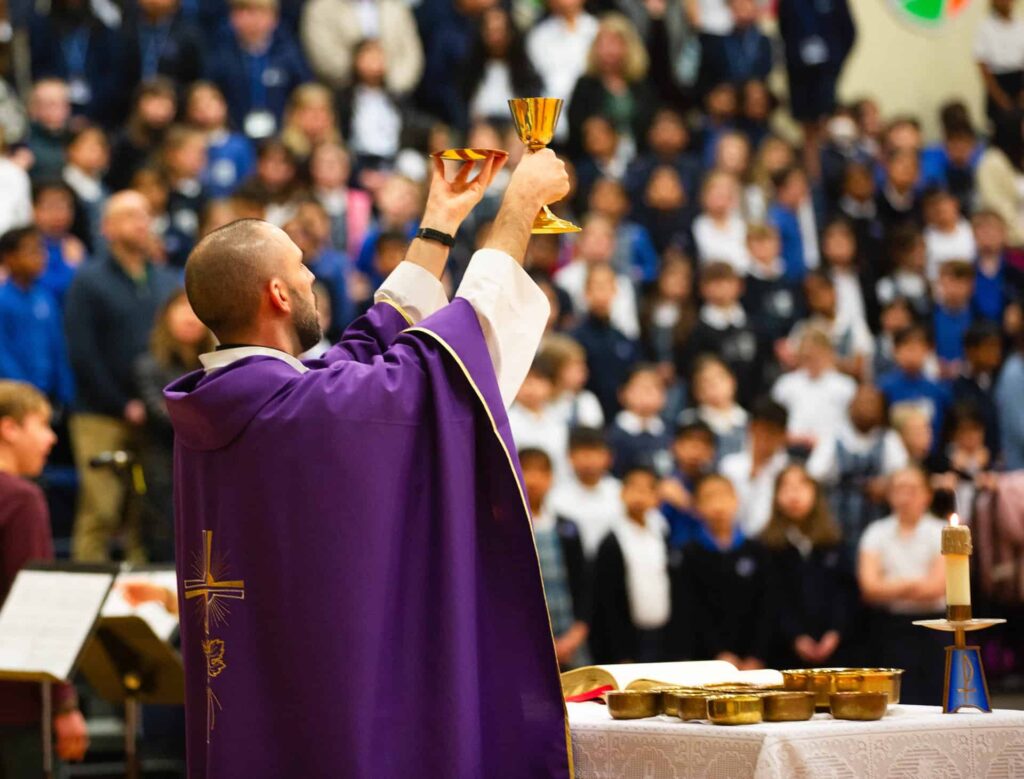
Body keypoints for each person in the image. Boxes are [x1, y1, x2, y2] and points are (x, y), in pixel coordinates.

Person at [166, 149, 574, 777]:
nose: (311, 279)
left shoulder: (221, 410)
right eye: (300, 268)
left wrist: (438, 225)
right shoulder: (302, 411)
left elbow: (361, 350)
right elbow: (449, 366)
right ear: (277, 293)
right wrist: (517, 211)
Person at [64, 191, 178, 562]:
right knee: (102, 508)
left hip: (152, 415)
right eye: (130, 215)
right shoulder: (89, 280)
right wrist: (119, 402)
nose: (141, 222)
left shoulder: (163, 280)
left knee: (144, 511)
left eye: (146, 214)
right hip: (100, 412)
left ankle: (138, 608)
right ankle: (83, 598)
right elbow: (82, 352)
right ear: (106, 227)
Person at [0, 381, 89, 776]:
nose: (52, 439)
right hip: (15, 703)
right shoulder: (21, 498)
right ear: (9, 429)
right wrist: (65, 704)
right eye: (42, 425)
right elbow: (35, 605)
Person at [134, 289, 214, 561]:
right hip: (164, 467)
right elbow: (159, 414)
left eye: (195, 311)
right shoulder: (149, 364)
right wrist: (206, 420)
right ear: (166, 316)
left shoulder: (215, 367)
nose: (190, 318)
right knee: (169, 543)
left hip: (207, 467)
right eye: (182, 309)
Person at [857, 466, 946, 704]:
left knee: (936, 701)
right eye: (898, 489)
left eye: (913, 489)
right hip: (891, 629)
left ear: (928, 494)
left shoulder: (941, 531)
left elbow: (936, 587)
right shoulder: (876, 532)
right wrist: (914, 584)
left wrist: (893, 585)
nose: (905, 497)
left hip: (934, 628)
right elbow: (869, 587)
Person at [760, 464, 856, 668]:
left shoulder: (834, 542)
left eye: (802, 486)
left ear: (815, 493)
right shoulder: (766, 545)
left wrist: (835, 632)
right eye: (786, 487)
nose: (794, 494)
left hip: (834, 650)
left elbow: (846, 593)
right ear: (776, 496)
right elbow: (770, 599)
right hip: (782, 653)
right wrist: (795, 637)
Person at [674, 473, 771, 668]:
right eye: (709, 498)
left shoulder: (757, 550)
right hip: (706, 660)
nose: (718, 505)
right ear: (697, 506)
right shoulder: (689, 553)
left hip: (753, 661)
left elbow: (767, 605)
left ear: (736, 500)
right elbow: (691, 608)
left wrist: (756, 654)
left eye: (724, 496)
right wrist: (718, 653)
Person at [807, 383, 908, 553]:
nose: (867, 408)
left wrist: (887, 485)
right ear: (850, 406)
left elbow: (904, 477)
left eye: (872, 403)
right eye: (862, 402)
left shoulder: (889, 440)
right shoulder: (833, 437)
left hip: (878, 522)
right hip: (837, 524)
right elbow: (814, 474)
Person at [590, 466, 673, 663]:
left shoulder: (661, 533)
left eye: (647, 490)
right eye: (634, 489)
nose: (640, 496)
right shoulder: (612, 540)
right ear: (622, 493)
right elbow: (607, 599)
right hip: (627, 638)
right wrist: (621, 653)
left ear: (656, 497)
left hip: (661, 634)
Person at [519, 447, 591, 670]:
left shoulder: (566, 527)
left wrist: (575, 635)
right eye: (526, 471)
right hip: (525, 641)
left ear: (551, 478)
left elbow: (584, 584)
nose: (533, 479)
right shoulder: (507, 528)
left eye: (541, 472)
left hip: (570, 638)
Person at [203, 0, 311, 141]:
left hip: (281, 138)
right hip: (233, 136)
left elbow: (304, 94)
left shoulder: (289, 55)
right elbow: (208, 94)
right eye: (242, 12)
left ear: (274, 17)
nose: (250, 19)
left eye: (257, 12)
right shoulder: (220, 56)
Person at [0, 227, 76, 408]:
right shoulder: (3, 300)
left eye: (42, 250)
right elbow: (3, 355)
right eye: (31, 251)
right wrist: (25, 393)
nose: (41, 256)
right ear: (8, 257)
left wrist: (65, 390)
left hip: (51, 395)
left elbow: (58, 346)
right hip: (18, 399)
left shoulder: (45, 298)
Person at [301, 0, 424, 95]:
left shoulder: (396, 7)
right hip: (340, 94)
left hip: (395, 94)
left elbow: (411, 54)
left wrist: (390, 82)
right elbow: (323, 54)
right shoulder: (321, 7)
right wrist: (360, 73)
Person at [570, 263, 640, 420]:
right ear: (586, 293)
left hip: (619, 416)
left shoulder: (623, 339)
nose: (602, 292)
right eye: (597, 286)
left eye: (607, 286)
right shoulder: (573, 337)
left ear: (615, 291)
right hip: (586, 416)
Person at [771, 327, 856, 448]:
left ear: (828, 353)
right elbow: (775, 423)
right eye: (807, 355)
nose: (812, 360)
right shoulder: (786, 384)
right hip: (792, 447)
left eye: (817, 354)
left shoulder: (845, 386)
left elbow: (851, 429)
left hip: (831, 450)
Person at [525, 0, 598, 140]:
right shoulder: (538, 36)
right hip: (550, 118)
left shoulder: (596, 29)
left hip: (590, 111)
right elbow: (535, 82)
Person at [547, 426, 623, 559]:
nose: (589, 459)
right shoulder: (555, 497)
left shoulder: (620, 492)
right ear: (569, 456)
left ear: (609, 457)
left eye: (596, 452)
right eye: (583, 452)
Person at [719, 397, 790, 538]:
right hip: (735, 540)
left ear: (783, 436)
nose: (765, 438)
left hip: (775, 541)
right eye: (760, 430)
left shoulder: (787, 470)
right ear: (751, 428)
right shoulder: (729, 466)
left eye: (772, 432)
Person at [878, 324, 953, 446]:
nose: (913, 354)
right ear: (895, 351)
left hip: (931, 457)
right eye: (908, 348)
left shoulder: (939, 390)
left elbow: (945, 429)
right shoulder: (883, 387)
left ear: (927, 351)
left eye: (918, 348)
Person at [508, 355, 570, 480]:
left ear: (552, 385)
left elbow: (561, 465)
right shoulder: (506, 420)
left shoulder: (558, 422)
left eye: (539, 380)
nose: (532, 388)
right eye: (526, 380)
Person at [678, 355, 748, 462]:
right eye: (705, 381)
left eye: (719, 377)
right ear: (696, 390)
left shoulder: (750, 421)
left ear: (733, 381)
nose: (714, 384)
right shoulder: (689, 421)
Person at [659, 421, 716, 549]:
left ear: (711, 451)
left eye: (703, 444)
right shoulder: (662, 484)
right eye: (689, 442)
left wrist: (689, 505)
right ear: (674, 446)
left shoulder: (715, 485)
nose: (695, 450)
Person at [607, 364, 672, 477]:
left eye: (655, 387)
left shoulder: (671, 431)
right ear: (622, 393)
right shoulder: (611, 435)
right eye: (640, 387)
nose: (647, 392)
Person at [973, 0, 1024, 122]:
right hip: (998, 81)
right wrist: (999, 97)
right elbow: (982, 64)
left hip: (1020, 79)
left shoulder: (1020, 26)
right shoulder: (985, 28)